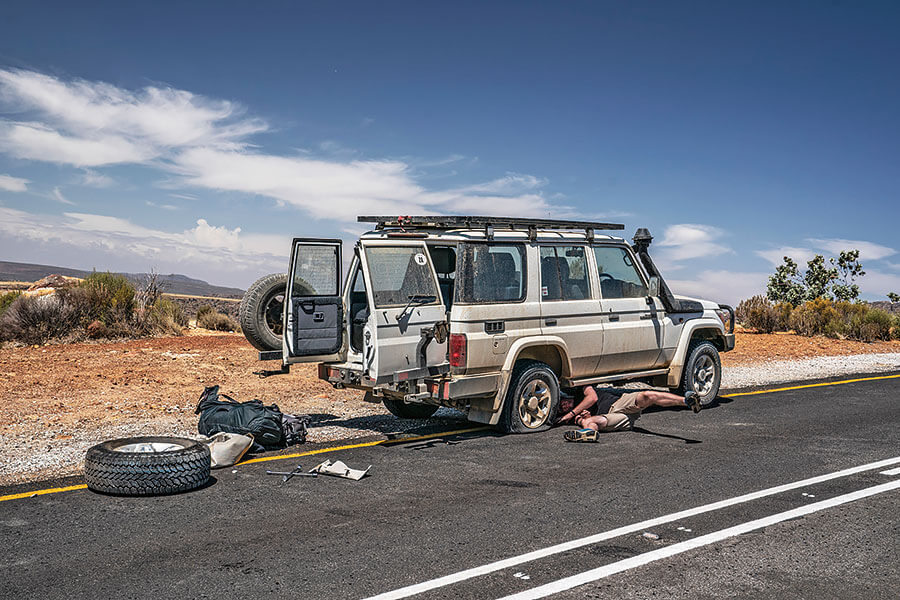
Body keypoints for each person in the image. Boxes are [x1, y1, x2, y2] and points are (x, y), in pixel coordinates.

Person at [557, 385, 701, 442]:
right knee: (590, 422)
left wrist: (571, 413)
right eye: (561, 406)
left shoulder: (579, 389)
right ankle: (588, 434)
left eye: (565, 401)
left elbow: (592, 397)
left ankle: (687, 401)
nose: (564, 405)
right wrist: (581, 419)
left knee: (647, 395)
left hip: (620, 402)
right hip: (617, 419)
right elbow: (580, 419)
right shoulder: (569, 416)